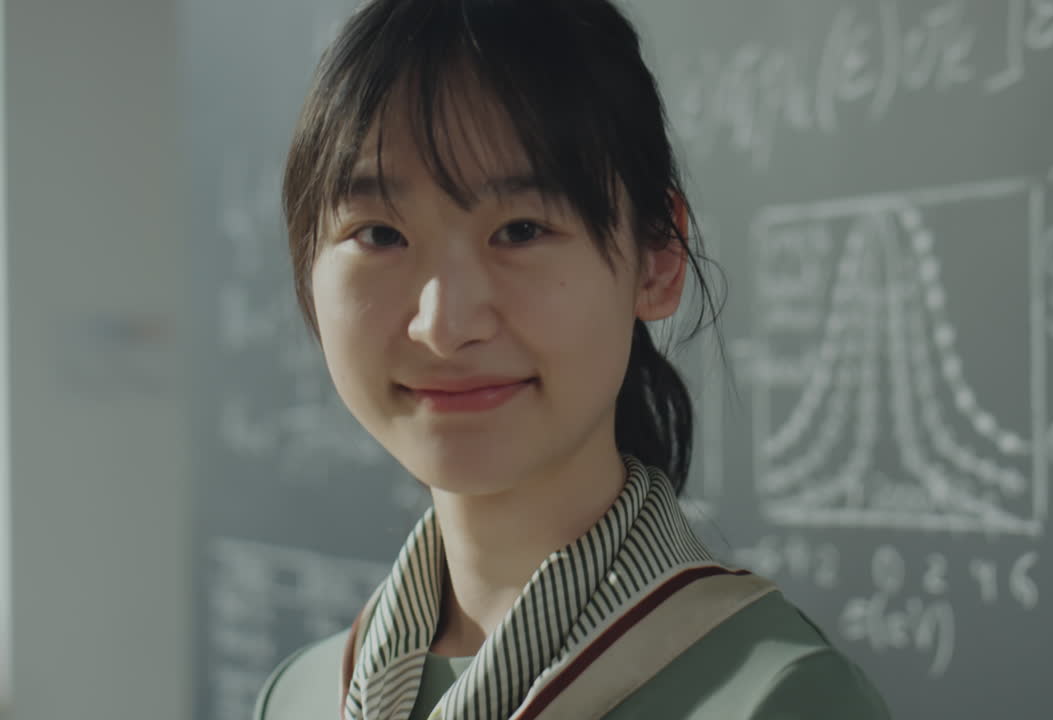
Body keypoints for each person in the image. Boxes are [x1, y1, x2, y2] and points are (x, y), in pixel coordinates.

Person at [253, 0, 891, 717]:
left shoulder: (778, 698)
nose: (444, 324)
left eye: (520, 230)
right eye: (379, 235)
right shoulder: (299, 697)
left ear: (657, 259)